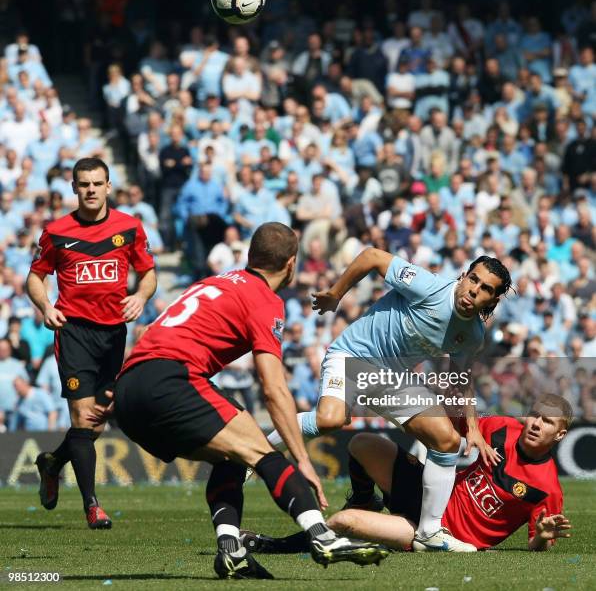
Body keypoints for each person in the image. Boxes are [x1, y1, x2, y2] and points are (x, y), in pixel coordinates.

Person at [103, 222, 388, 579]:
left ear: (251, 256)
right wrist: (302, 459)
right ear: (290, 264)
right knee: (265, 456)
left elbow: (149, 332)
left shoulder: (215, 282)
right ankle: (322, 535)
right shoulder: (264, 299)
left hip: (129, 389)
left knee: (232, 456)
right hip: (170, 380)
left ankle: (231, 549)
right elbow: (273, 388)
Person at [267, 251, 511, 551]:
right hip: (353, 355)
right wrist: (335, 294)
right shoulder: (429, 286)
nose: (475, 289)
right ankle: (259, 448)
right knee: (329, 419)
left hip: (392, 379)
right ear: (463, 276)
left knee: (447, 441)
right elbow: (371, 257)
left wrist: (472, 426)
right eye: (474, 279)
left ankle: (429, 534)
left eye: (486, 288)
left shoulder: (473, 335)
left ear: (492, 301)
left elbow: (461, 378)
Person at [245, 393, 572, 553]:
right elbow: (448, 427)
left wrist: (542, 536)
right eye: (534, 416)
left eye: (547, 422)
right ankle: (365, 500)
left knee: (344, 523)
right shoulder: (503, 428)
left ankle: (272, 546)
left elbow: (535, 549)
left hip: (442, 533)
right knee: (362, 443)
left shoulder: (547, 487)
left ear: (559, 435)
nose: (535, 424)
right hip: (431, 495)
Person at [26, 157, 156, 529]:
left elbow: (148, 274)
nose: (91, 190)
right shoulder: (57, 231)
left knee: (96, 424)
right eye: (84, 184)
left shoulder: (129, 228)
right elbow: (35, 277)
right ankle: (92, 506)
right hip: (74, 332)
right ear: (74, 188)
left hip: (114, 334)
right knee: (83, 418)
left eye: (97, 183)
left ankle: (51, 465)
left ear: (108, 186)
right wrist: (45, 306)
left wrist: (141, 297)